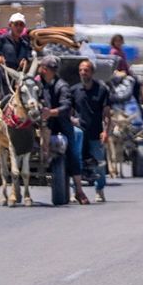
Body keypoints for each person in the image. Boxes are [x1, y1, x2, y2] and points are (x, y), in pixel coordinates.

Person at [40, 56, 90, 204]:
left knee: (72, 153)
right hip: (40, 125)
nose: (49, 71)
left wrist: (51, 112)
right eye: (49, 68)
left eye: (52, 69)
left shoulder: (62, 86)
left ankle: (79, 190)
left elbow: (66, 106)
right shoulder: (37, 83)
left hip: (60, 125)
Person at [71, 59, 111, 203]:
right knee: (76, 162)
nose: (83, 72)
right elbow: (69, 111)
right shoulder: (74, 90)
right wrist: (71, 121)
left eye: (86, 70)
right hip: (79, 134)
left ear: (92, 72)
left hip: (96, 133)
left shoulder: (101, 89)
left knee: (99, 164)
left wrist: (106, 131)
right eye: (81, 70)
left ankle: (99, 190)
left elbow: (106, 113)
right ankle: (75, 191)